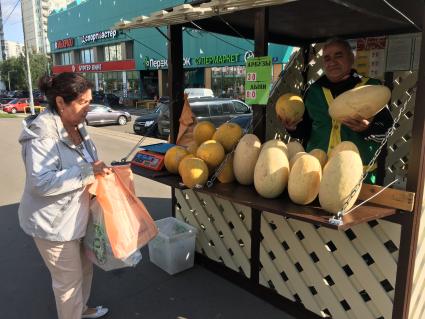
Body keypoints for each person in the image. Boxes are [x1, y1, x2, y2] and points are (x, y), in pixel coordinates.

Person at [18, 72, 111, 319]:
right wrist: (88, 171)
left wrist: (99, 170)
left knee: (85, 268)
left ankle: (82, 309)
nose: (88, 108)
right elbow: (41, 182)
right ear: (60, 102)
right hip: (54, 224)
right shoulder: (41, 133)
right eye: (83, 102)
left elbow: (88, 161)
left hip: (78, 216)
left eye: (90, 101)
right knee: (68, 283)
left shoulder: (78, 125)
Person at [280, 38, 393, 184]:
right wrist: (293, 128)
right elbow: (306, 130)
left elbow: (387, 128)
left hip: (356, 176)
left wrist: (368, 128)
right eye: (327, 58)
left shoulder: (372, 88)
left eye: (338, 56)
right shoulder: (313, 91)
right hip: (315, 174)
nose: (332, 62)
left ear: (351, 58)